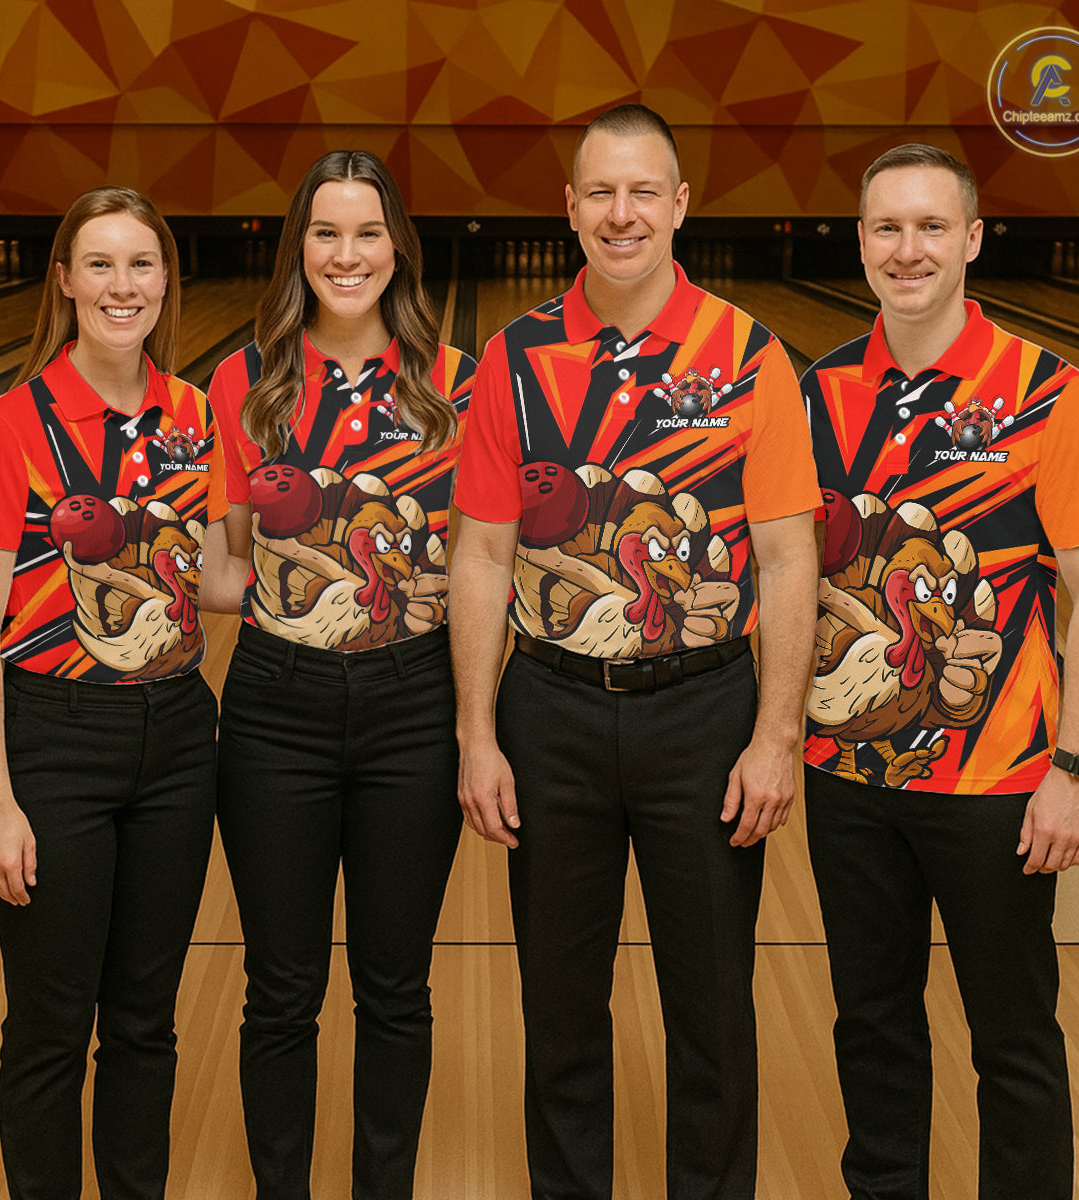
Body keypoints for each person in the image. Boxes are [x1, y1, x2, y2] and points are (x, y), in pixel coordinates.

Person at [449, 104, 821, 1199]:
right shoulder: (514, 358)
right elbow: (482, 554)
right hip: (550, 711)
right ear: (569, 209)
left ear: (680, 205)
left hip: (705, 716)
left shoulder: (748, 355)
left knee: (713, 1012)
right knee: (560, 1010)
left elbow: (788, 559)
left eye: (643, 191)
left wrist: (777, 737)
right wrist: (476, 733)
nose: (622, 214)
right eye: (601, 194)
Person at [800, 144, 1079, 1200]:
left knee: (1013, 1035)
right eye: (887, 228)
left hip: (998, 786)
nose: (909, 250)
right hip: (847, 779)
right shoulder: (815, 394)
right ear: (861, 242)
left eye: (932, 226)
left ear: (973, 239)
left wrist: (1075, 770)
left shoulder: (1047, 392)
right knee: (872, 1023)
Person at [0, 186, 228, 1199]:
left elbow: (215, 576)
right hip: (53, 743)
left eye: (141, 264)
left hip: (179, 737)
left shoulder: (197, 415)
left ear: (166, 280)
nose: (123, 285)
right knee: (51, 1027)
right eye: (100, 264)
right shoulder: (5, 429)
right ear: (64, 279)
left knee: (146, 1022)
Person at [207, 150, 474, 1200]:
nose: (347, 254)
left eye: (368, 234)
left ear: (398, 248)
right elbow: (230, 561)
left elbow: (483, 561)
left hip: (417, 706)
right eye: (326, 233)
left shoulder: (456, 385)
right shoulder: (246, 383)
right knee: (280, 991)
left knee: (395, 990)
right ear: (299, 248)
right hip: (276, 708)